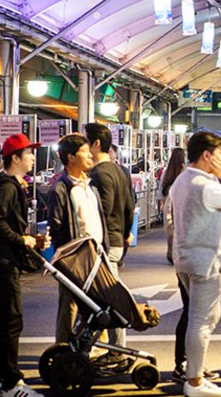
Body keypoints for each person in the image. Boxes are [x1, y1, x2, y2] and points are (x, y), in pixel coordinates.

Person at [169, 131, 221, 396]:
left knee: (202, 318)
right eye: (219, 155)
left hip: (185, 258)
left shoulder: (181, 181)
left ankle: (196, 373)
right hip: (206, 259)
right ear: (207, 155)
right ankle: (194, 381)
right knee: (201, 321)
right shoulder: (207, 186)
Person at [0, 134, 51, 397]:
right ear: (15, 158)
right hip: (1, 262)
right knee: (10, 321)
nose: (33, 158)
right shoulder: (7, 188)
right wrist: (22, 239)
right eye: (29, 154)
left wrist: (31, 241)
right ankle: (11, 383)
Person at [47, 134, 109, 345]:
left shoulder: (90, 186)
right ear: (71, 157)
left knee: (98, 302)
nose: (89, 155)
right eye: (84, 151)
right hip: (75, 258)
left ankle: (94, 347)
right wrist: (68, 258)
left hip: (97, 255)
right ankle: (63, 348)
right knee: (70, 303)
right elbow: (56, 227)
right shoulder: (61, 188)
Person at [85, 124, 135, 355]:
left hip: (105, 243)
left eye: (86, 142)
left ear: (96, 144)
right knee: (110, 294)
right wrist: (125, 234)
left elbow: (102, 210)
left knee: (108, 297)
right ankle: (113, 346)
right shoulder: (119, 171)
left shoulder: (100, 173)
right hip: (116, 240)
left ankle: (116, 348)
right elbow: (129, 205)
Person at [160, 147, 187, 265]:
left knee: (171, 228)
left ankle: (171, 252)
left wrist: (162, 202)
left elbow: (162, 188)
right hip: (181, 203)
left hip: (168, 202)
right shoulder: (185, 171)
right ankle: (178, 253)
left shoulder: (167, 171)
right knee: (181, 228)